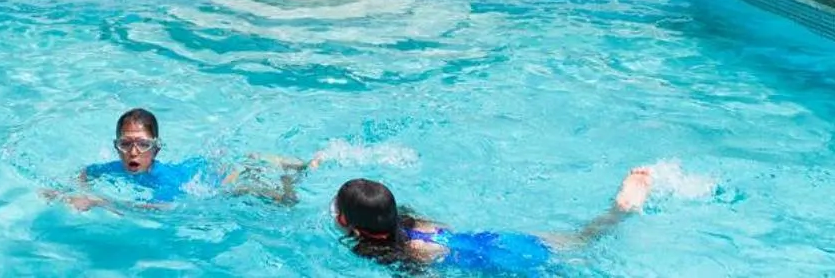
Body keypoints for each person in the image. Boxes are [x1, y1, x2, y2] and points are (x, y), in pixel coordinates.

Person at [332, 168, 652, 272]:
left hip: (495, 264)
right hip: (499, 239)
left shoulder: (391, 256)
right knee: (583, 239)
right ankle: (619, 211)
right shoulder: (413, 221)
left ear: (349, 222)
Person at [51, 107, 314, 211]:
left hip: (213, 180)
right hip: (194, 167)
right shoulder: (112, 168)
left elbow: (157, 210)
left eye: (143, 145)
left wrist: (98, 201)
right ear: (116, 147)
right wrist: (71, 191)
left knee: (282, 201)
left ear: (156, 149)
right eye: (125, 144)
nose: (133, 152)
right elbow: (85, 172)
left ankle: (287, 170)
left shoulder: (162, 179)